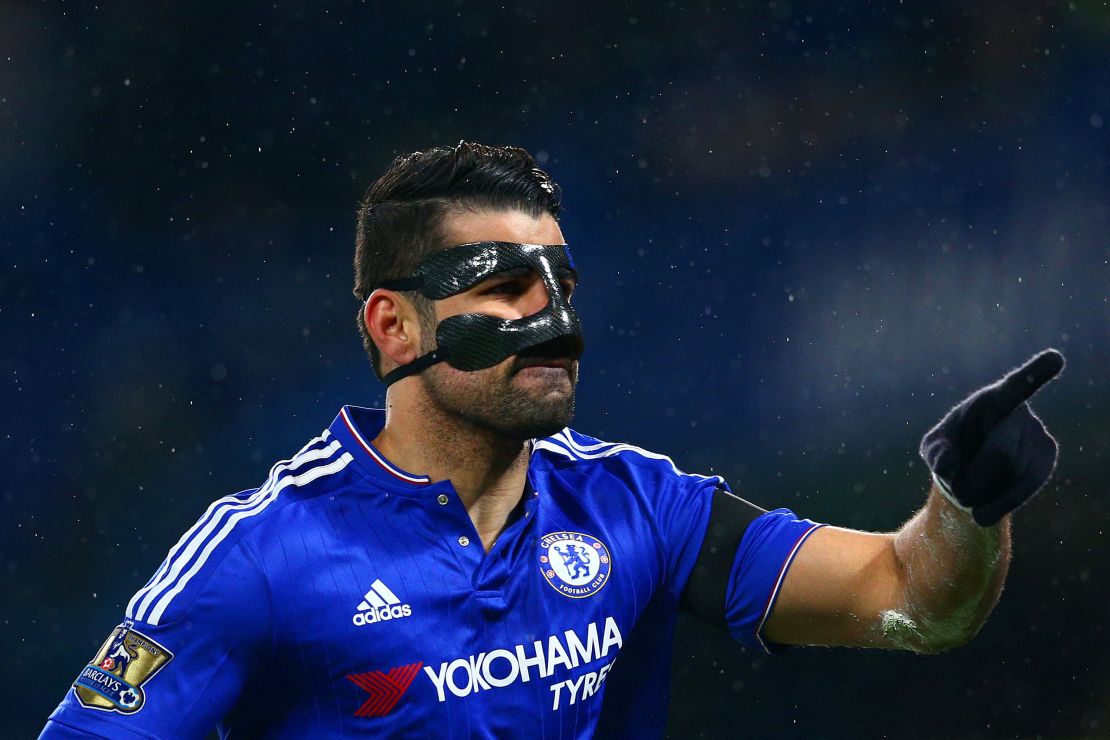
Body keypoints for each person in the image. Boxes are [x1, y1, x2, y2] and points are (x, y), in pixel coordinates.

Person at [41, 142, 1064, 738]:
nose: (553, 318)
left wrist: (968, 506)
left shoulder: (640, 506)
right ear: (393, 326)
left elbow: (912, 597)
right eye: (502, 286)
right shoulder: (261, 556)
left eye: (561, 285)